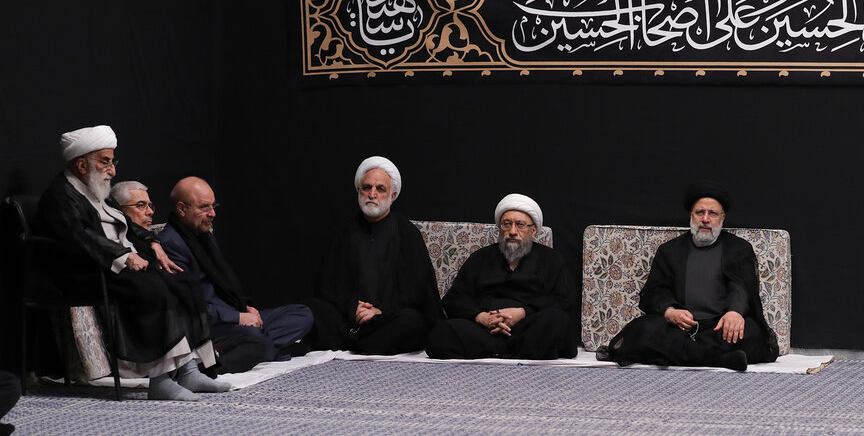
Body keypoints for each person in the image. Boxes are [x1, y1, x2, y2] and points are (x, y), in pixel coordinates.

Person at [34, 125, 227, 401]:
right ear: (81, 164)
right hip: (84, 272)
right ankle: (160, 379)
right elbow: (80, 237)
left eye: (112, 161)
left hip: (112, 266)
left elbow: (128, 224)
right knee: (151, 288)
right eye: (105, 162)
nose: (112, 170)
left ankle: (189, 370)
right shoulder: (60, 196)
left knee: (183, 282)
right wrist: (123, 255)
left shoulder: (97, 190)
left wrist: (152, 243)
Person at [600, 181, 779, 371]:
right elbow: (654, 291)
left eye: (713, 213)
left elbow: (742, 287)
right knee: (642, 329)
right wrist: (670, 312)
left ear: (723, 218)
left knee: (752, 333)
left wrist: (734, 312)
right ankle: (721, 359)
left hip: (719, 327)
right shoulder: (669, 251)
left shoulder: (738, 249)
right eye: (700, 212)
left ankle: (681, 355)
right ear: (691, 215)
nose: (705, 219)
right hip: (679, 327)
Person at [154, 177, 314, 371]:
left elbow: (224, 284)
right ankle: (256, 348)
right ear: (181, 209)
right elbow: (190, 307)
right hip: (209, 324)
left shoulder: (204, 235)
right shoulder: (171, 245)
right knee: (255, 337)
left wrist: (245, 308)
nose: (212, 213)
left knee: (302, 314)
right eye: (204, 207)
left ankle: (253, 348)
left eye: (213, 206)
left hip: (232, 315)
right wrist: (238, 317)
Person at [307, 157, 443, 355]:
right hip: (350, 317)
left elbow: (415, 290)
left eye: (380, 189)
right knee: (312, 307)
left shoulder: (406, 233)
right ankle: (363, 342)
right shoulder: (345, 232)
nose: (372, 194)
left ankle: (355, 342)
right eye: (367, 187)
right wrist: (353, 308)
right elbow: (329, 285)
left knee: (411, 321)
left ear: (392, 195)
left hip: (389, 317)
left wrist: (380, 312)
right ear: (359, 190)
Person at [426, 194, 577, 359]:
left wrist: (523, 312)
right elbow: (454, 299)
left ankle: (497, 352)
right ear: (500, 228)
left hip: (528, 328)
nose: (512, 231)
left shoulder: (551, 260)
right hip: (485, 331)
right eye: (507, 224)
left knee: (556, 321)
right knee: (441, 332)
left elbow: (564, 299)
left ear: (533, 231)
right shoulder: (480, 258)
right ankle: (512, 351)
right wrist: (481, 317)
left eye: (520, 225)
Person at [109, 180, 183, 274]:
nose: (150, 212)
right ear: (118, 210)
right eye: (141, 205)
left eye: (150, 205)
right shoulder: (115, 247)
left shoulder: (158, 238)